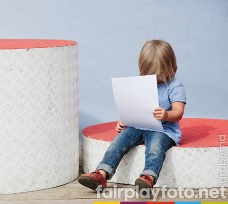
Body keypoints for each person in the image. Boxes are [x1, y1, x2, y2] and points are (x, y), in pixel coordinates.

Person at [78, 39, 186, 193]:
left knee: (155, 148)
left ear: (170, 66)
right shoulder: (141, 83)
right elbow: (133, 107)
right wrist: (124, 120)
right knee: (117, 143)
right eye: (150, 72)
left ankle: (147, 177)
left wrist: (166, 114)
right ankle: (101, 173)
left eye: (158, 72)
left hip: (163, 129)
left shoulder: (174, 85)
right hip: (138, 124)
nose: (154, 77)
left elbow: (178, 112)